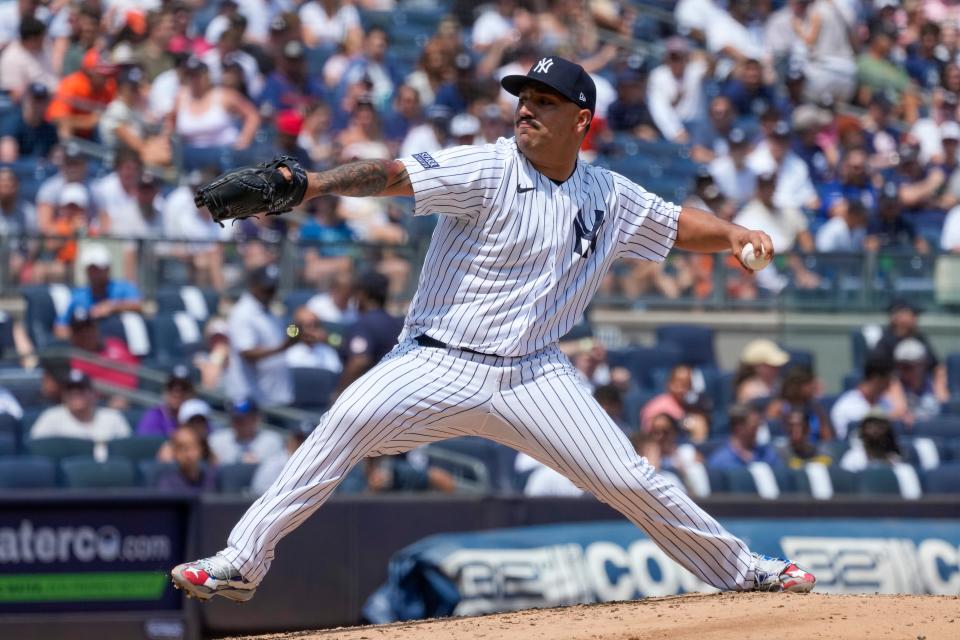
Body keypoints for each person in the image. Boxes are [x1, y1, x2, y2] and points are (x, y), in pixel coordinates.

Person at [173, 55, 816, 601]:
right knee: (343, 424)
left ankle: (744, 572)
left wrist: (732, 233)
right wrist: (311, 184)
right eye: (523, 98)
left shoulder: (609, 196)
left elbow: (675, 225)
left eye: (544, 100)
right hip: (435, 362)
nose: (526, 109)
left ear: (582, 121)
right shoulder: (487, 168)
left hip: (534, 375)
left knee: (629, 478)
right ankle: (242, 562)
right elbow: (392, 174)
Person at [225, 264, 296, 406]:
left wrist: (296, 333)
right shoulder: (243, 313)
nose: (270, 292)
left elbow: (282, 337)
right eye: (266, 288)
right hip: (252, 399)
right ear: (253, 285)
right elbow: (247, 352)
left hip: (276, 396)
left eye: (273, 288)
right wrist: (282, 347)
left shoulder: (271, 310)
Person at [30, 369, 131, 461]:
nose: (75, 394)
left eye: (81, 390)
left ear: (93, 394)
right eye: (70, 390)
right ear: (63, 395)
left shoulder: (113, 417)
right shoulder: (50, 417)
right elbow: (37, 450)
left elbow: (127, 451)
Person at [333, 271, 404, 395]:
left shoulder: (364, 324)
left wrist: (339, 393)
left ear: (362, 294)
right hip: (395, 393)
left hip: (369, 396)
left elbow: (359, 360)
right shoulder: (398, 324)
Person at [54, 243, 143, 338]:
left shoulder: (123, 288)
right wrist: (81, 333)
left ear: (108, 269)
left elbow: (139, 305)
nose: (95, 274)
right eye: (92, 269)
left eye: (98, 269)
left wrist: (112, 307)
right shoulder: (78, 297)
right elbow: (60, 326)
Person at [830, 356, 894, 439]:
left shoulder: (886, 403)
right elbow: (842, 440)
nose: (889, 386)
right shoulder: (845, 407)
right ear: (876, 379)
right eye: (887, 381)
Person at [208, 398, 284, 466]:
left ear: (256, 419)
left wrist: (258, 465)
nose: (238, 423)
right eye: (235, 419)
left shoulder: (271, 441)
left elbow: (276, 470)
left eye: (243, 420)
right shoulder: (217, 440)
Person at [707, 404, 781, 471]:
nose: (758, 430)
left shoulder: (767, 454)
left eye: (759, 425)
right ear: (739, 428)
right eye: (754, 427)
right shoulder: (720, 462)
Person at [155, 424, 219, 493]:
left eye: (194, 447)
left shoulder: (211, 480)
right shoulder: (167, 483)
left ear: (201, 449)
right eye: (183, 448)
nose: (189, 454)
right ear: (175, 452)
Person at [137, 365, 195, 438]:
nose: (177, 393)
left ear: (192, 393)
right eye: (172, 387)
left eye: (184, 388)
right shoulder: (154, 416)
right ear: (165, 392)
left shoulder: (197, 419)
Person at [285, 306, 342, 373]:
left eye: (316, 325)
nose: (312, 330)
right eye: (308, 326)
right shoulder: (289, 353)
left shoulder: (328, 351)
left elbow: (335, 374)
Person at [734, 339, 790, 403]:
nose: (776, 368)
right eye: (770, 366)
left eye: (776, 366)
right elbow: (745, 411)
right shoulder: (749, 389)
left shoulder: (779, 384)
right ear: (758, 367)